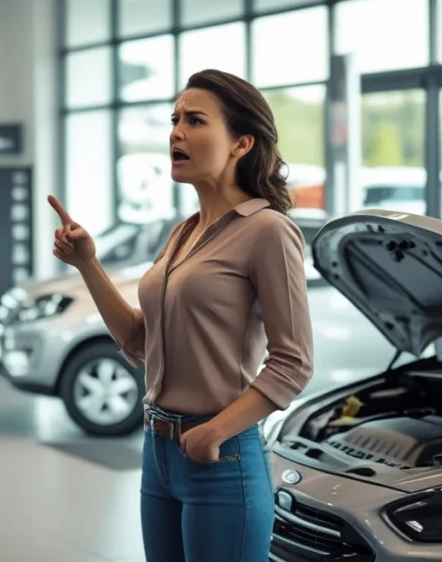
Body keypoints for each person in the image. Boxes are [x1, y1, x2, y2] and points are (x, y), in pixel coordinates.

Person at [48, 69, 314, 561]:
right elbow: (138, 344)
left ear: (241, 143)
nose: (175, 132)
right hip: (158, 450)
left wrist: (213, 431)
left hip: (222, 453)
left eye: (195, 120)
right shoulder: (183, 232)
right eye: (174, 120)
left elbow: (293, 363)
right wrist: (87, 263)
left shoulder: (268, 231)